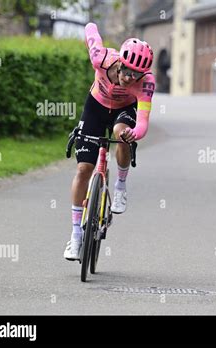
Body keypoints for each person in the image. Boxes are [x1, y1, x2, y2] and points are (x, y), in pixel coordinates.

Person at [64, 22, 156, 261]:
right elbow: (90, 31)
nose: (128, 78)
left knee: (121, 133)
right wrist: (92, 26)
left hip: (124, 110)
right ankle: (75, 237)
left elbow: (143, 123)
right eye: (126, 71)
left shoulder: (146, 83)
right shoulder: (101, 58)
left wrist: (133, 135)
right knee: (84, 169)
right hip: (95, 106)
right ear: (120, 62)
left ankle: (120, 187)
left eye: (135, 75)